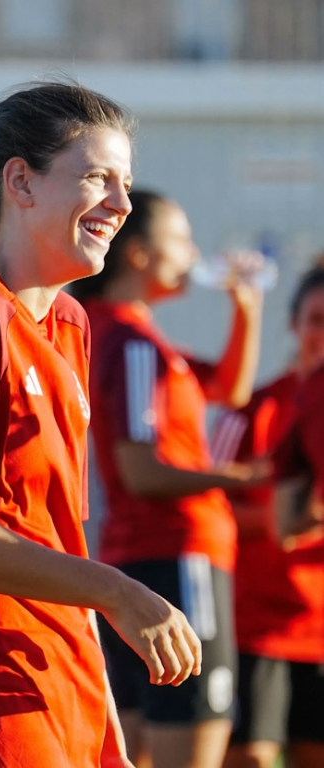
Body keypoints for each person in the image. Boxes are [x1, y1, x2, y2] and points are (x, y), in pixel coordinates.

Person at [0, 83, 203, 768]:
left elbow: (51, 533)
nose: (120, 205)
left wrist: (100, 714)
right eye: (96, 178)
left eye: (126, 185)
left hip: (56, 693)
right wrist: (117, 589)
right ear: (19, 181)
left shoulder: (68, 324)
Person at [71, 190, 270, 768]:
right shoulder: (132, 341)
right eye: (181, 240)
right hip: (176, 556)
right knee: (191, 742)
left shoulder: (130, 337)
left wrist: (246, 311)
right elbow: (141, 471)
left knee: (138, 749)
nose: (193, 255)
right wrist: (234, 479)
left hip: (138, 560)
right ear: (138, 255)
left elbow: (227, 389)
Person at [213, 260, 324, 768]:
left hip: (319, 626)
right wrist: (282, 518)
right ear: (295, 324)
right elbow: (207, 514)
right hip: (257, 625)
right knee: (251, 757)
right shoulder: (257, 409)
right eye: (318, 319)